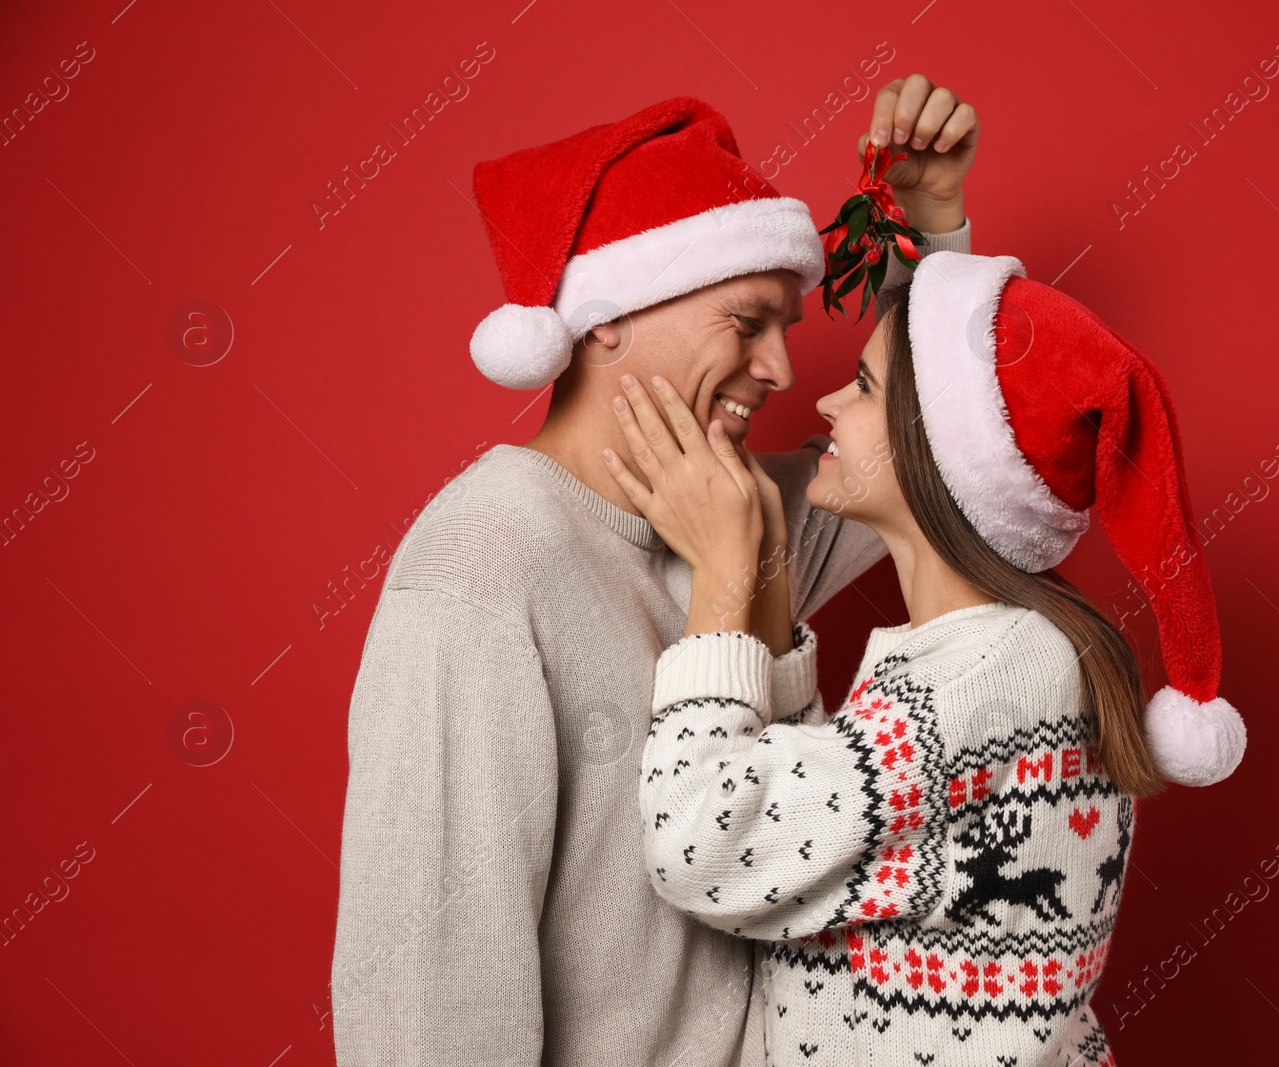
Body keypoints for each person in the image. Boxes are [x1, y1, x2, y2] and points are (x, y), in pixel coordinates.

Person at [330, 80, 980, 1066]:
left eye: (785, 331)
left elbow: (941, 467)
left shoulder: (738, 514)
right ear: (606, 317)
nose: (776, 367)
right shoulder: (480, 569)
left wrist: (929, 231)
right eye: (749, 320)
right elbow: (425, 993)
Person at [610, 252, 1247, 1065]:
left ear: (939, 444)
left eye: (866, 387)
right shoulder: (1002, 655)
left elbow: (704, 848)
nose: (827, 401)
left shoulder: (987, 679)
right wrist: (766, 569)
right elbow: (839, 847)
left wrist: (722, 576)